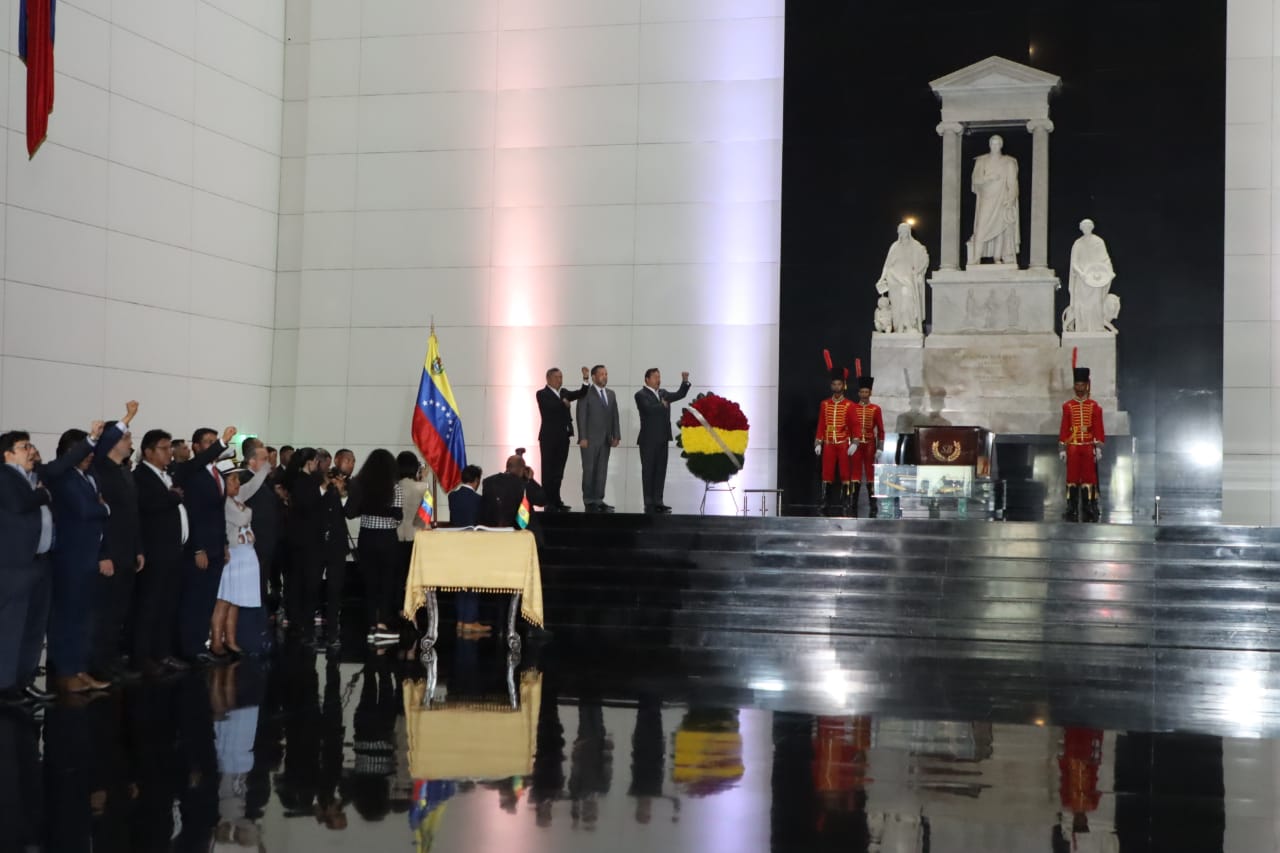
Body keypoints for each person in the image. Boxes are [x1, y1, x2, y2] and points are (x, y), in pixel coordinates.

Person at [134, 426, 234, 676]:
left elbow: (196, 463)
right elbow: (149, 505)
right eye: (164, 448)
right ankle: (143, 657)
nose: (170, 452)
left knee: (168, 606)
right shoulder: (141, 476)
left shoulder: (171, 473)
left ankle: (163, 652)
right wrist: (172, 498)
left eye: (170, 447)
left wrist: (222, 443)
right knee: (150, 607)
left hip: (174, 551)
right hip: (156, 551)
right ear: (148, 452)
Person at [0, 429, 89, 704]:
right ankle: (5, 686)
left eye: (30, 445)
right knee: (12, 627)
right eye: (23, 447)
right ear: (7, 454)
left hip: (41, 561)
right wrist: (42, 495)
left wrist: (92, 440)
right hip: (16, 566)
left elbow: (63, 463)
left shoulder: (35, 475)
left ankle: (24, 680)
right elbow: (19, 504)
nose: (31, 451)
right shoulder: (4, 477)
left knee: (34, 627)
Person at [47, 410, 132, 694]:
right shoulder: (63, 478)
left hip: (90, 558)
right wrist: (104, 507)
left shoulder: (89, 475)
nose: (89, 455)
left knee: (85, 618)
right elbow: (86, 511)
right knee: (68, 618)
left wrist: (125, 420)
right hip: (70, 560)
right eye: (82, 450)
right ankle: (65, 672)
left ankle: (80, 669)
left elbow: (104, 444)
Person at [92, 403, 146, 683]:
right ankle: (99, 663)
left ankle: (113, 660)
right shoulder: (101, 468)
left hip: (127, 552)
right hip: (110, 552)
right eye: (125, 436)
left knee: (120, 611)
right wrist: (127, 417)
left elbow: (132, 514)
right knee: (106, 611)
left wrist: (138, 548)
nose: (130, 441)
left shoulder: (124, 472)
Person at [178, 427, 238, 664]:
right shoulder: (192, 473)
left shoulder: (217, 473)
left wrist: (224, 544)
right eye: (208, 442)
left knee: (207, 599)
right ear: (196, 447)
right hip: (199, 547)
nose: (213, 446)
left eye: (216, 442)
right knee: (194, 598)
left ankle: (200, 644)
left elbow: (218, 514)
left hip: (216, 546)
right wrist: (197, 548)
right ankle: (188, 647)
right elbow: (192, 514)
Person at [351, 449, 404, 646]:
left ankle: (371, 626)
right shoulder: (395, 487)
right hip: (387, 538)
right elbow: (398, 516)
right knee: (387, 582)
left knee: (370, 583)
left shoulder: (360, 485)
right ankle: (383, 625)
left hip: (366, 537)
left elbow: (353, 511)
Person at [210, 466, 260, 659]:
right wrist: (248, 511)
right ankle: (216, 641)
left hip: (245, 553)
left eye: (238, 479)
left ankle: (230, 640)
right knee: (224, 600)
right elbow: (241, 519)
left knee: (235, 601)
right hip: (232, 554)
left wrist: (263, 468)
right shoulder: (224, 502)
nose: (237, 484)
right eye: (232, 480)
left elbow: (254, 485)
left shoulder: (236, 499)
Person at [634, 368, 691, 514]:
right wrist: (662, 405)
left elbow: (680, 394)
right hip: (648, 440)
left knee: (660, 471)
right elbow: (648, 409)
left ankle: (658, 502)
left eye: (659, 377)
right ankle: (649, 503)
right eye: (655, 377)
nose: (658, 380)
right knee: (648, 472)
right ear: (647, 379)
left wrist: (685, 382)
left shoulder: (663, 393)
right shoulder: (640, 395)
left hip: (663, 438)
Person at [282, 448, 324, 641]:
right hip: (306, 539)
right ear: (310, 462)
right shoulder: (304, 481)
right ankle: (301, 620)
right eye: (316, 461)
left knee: (299, 580)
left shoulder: (299, 480)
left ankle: (298, 619)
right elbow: (309, 506)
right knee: (304, 581)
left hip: (301, 538)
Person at [537, 366, 591, 512]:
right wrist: (563, 403)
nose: (559, 380)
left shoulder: (564, 392)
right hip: (549, 438)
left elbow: (581, 393)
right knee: (548, 471)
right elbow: (550, 407)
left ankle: (556, 500)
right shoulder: (542, 393)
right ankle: (548, 501)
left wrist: (585, 378)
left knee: (559, 472)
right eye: (556, 377)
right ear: (548, 378)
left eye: (561, 377)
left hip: (563, 437)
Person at [1059, 360, 1105, 522]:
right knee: (1072, 478)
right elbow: (1064, 427)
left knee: (1089, 478)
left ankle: (1089, 506)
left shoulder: (1094, 406)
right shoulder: (1068, 406)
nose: (1079, 388)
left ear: (1087, 386)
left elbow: (1098, 427)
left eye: (1082, 385)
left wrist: (1098, 446)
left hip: (1087, 446)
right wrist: (1062, 448)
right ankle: (1071, 507)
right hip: (1073, 446)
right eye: (1077, 385)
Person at [968, 134, 1020, 265]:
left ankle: (997, 257)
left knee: (1001, 228)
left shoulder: (1008, 162)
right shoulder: (982, 161)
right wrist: (988, 178)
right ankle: (976, 257)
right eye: (993, 143)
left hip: (1002, 198)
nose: (995, 146)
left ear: (1001, 145)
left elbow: (1013, 183)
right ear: (989, 145)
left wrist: (1011, 199)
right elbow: (975, 180)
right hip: (986, 199)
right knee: (980, 228)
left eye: (997, 144)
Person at [814, 356, 856, 516]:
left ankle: (846, 501)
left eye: (839, 384)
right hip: (829, 442)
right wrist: (818, 442)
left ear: (843, 385)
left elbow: (855, 425)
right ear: (831, 385)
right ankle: (825, 501)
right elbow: (821, 424)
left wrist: (855, 442)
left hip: (843, 442)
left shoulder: (850, 405)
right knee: (827, 473)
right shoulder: (825, 404)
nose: (836, 386)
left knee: (845, 473)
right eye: (834, 384)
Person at [577, 364, 621, 513]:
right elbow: (581, 415)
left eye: (606, 374)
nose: (605, 376)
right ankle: (588, 500)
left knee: (602, 471)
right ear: (594, 377)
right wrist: (582, 437)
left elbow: (615, 415)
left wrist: (616, 435)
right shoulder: (586, 393)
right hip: (589, 439)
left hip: (605, 439)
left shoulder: (611, 394)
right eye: (601, 374)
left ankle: (599, 499)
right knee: (589, 470)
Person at [446, 465, 484, 636]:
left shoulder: (452, 496)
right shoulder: (478, 500)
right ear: (476, 480)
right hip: (473, 545)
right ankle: (470, 621)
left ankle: (461, 621)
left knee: (459, 584)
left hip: (456, 544)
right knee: (472, 583)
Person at [875, 222, 929, 334]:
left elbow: (924, 259)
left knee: (907, 297)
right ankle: (899, 327)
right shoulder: (895, 247)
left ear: (909, 232)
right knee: (897, 304)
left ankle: (909, 325)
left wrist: (918, 272)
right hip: (894, 278)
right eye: (901, 231)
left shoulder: (916, 246)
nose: (903, 233)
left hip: (908, 279)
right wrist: (882, 278)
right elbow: (887, 265)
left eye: (905, 231)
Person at [849, 370, 885, 518]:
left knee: (871, 474)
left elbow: (881, 429)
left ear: (870, 393)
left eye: (866, 392)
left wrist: (880, 447)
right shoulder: (852, 408)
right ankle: (853, 503)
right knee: (855, 473)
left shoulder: (875, 409)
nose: (864, 394)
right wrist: (850, 443)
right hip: (856, 444)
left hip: (870, 443)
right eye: (862, 392)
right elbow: (849, 427)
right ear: (859, 393)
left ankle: (873, 503)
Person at [480, 454, 547, 530]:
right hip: (517, 532)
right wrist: (531, 479)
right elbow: (542, 500)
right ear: (522, 469)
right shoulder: (522, 485)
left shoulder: (488, 482)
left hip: (490, 531)